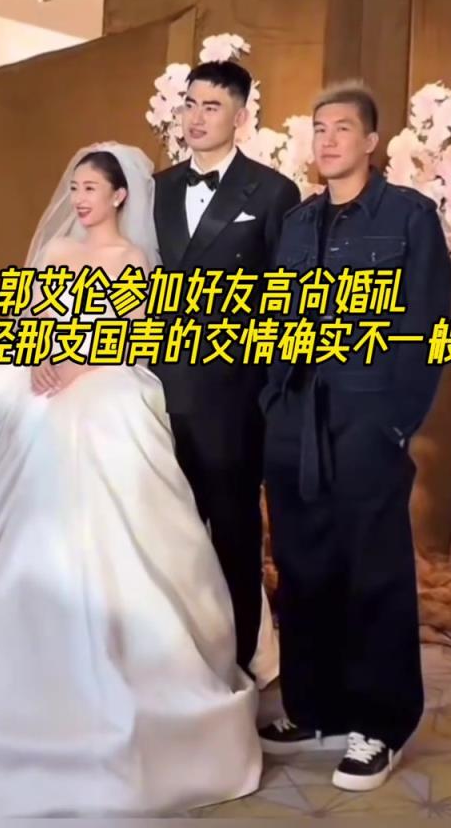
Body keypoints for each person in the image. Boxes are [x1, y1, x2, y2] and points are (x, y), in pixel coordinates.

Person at [0, 143, 262, 818]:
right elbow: (27, 320)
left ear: (119, 196)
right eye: (74, 188)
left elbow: (132, 338)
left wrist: (77, 364)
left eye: (91, 189)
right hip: (38, 375)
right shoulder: (56, 253)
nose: (79, 200)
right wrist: (42, 357)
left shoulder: (133, 262)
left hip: (104, 380)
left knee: (106, 464)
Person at [258, 82, 451, 791]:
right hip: (296, 417)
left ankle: (381, 724)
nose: (328, 139)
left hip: (367, 417)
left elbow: (433, 328)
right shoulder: (297, 223)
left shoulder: (408, 216)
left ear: (372, 141)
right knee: (305, 566)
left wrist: (396, 421)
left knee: (374, 571)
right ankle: (317, 708)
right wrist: (273, 398)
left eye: (342, 128)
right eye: (319, 128)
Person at [153, 61, 300, 680]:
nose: (195, 116)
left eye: (211, 106)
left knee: (234, 539)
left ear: (240, 116)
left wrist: (268, 395)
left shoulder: (272, 193)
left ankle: (238, 674)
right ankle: (174, 674)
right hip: (157, 392)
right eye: (190, 103)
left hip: (233, 399)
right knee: (165, 536)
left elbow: (286, 299)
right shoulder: (157, 188)